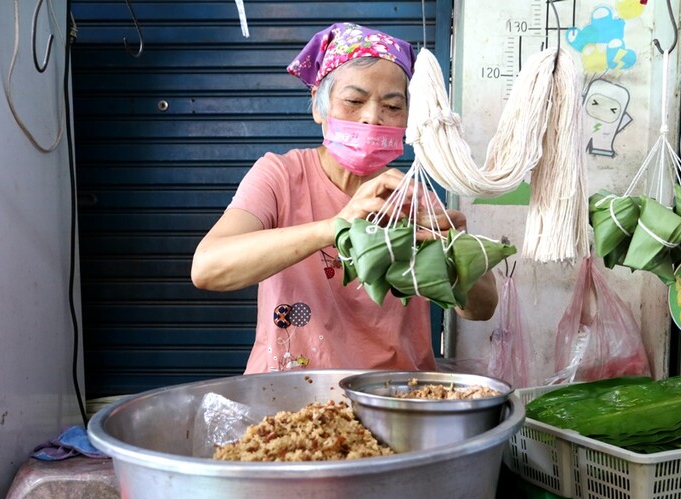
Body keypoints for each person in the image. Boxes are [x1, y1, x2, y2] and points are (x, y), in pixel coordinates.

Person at [191, 22, 498, 374]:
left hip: (393, 399)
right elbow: (207, 269)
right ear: (319, 107)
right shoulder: (279, 175)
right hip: (288, 400)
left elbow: (481, 309)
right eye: (354, 101)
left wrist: (455, 248)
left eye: (393, 107)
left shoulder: (412, 198)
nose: (371, 118)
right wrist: (337, 226)